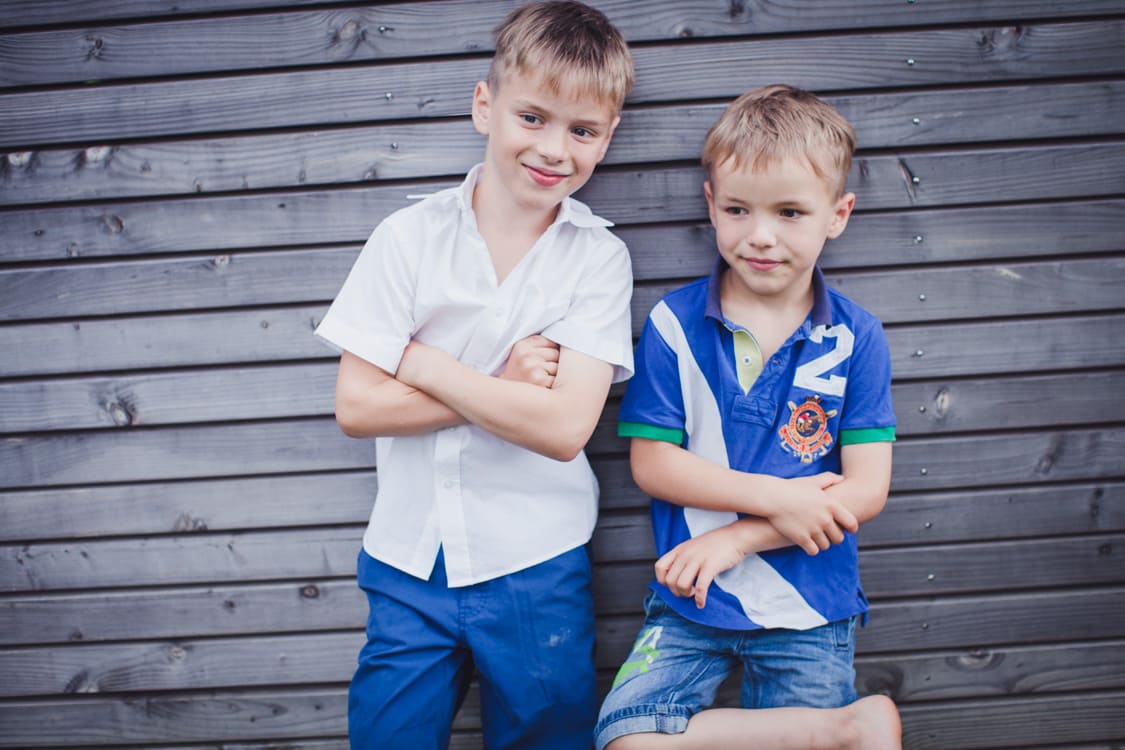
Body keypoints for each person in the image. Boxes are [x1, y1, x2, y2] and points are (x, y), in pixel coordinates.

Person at [314, 2, 635, 748]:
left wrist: (420, 362)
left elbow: (560, 428)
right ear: (484, 106)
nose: (554, 149)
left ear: (606, 137)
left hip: (537, 561)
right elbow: (358, 405)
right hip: (405, 559)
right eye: (532, 117)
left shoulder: (596, 259)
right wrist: (496, 380)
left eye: (581, 130)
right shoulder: (407, 238)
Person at [595, 85, 902, 750]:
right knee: (626, 738)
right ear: (711, 205)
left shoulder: (855, 337)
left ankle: (843, 729)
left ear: (837, 214)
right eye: (737, 209)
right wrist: (776, 498)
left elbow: (863, 488)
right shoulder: (675, 326)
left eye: (790, 211)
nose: (759, 235)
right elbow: (653, 461)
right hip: (690, 603)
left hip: (809, 606)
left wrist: (736, 538)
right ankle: (836, 733)